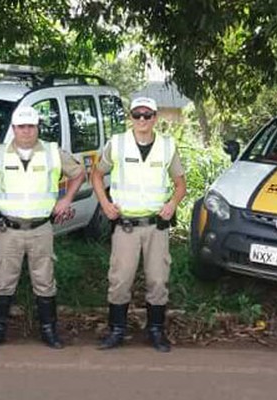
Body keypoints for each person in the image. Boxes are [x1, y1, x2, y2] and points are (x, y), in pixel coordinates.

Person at [0, 106, 85, 349]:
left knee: (45, 281)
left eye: (31, 126)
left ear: (37, 127)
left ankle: (48, 331)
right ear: (13, 128)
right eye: (21, 126)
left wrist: (66, 199)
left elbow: (79, 174)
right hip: (8, 229)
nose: (26, 131)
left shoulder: (53, 152)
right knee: (3, 280)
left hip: (41, 228)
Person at [92, 97, 187, 352]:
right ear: (130, 117)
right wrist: (105, 204)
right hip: (126, 226)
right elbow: (97, 175)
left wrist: (172, 204)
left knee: (158, 280)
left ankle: (155, 331)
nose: (142, 120)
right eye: (137, 115)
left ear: (155, 118)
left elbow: (181, 185)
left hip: (156, 226)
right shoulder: (118, 143)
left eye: (147, 115)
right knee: (120, 280)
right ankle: (117, 331)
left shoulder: (167, 146)